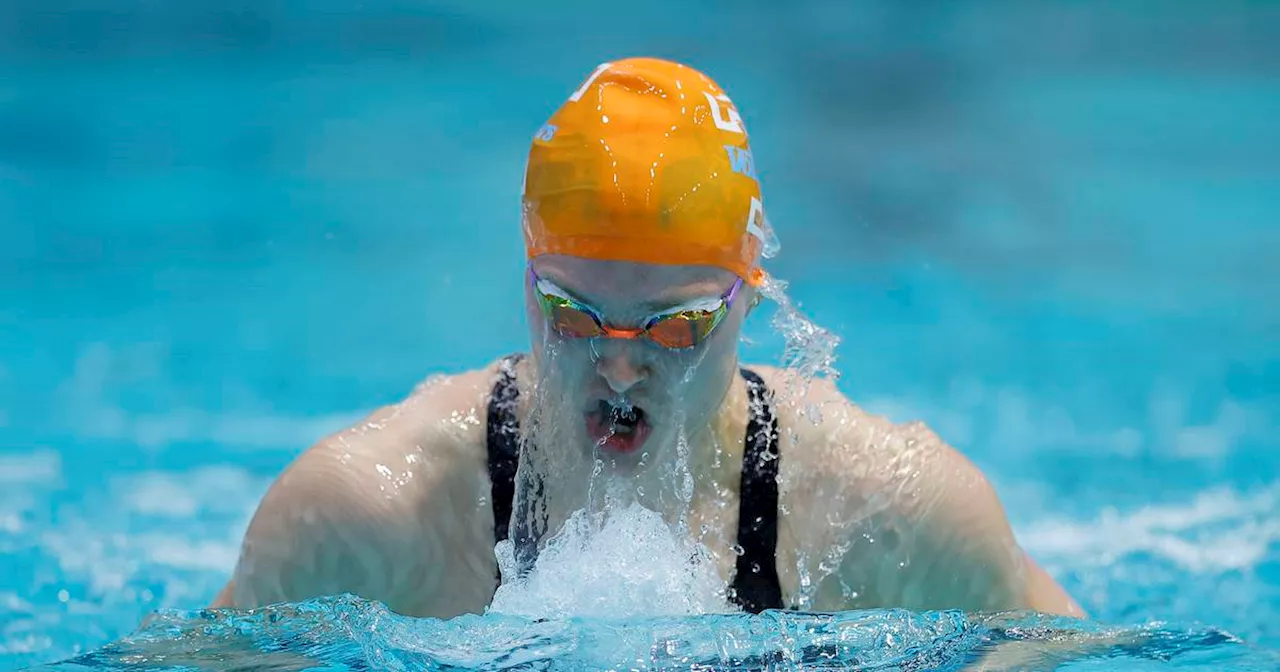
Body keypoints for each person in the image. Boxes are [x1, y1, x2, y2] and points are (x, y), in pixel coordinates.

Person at [211, 57, 1083, 619]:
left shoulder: (885, 513)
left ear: (750, 298)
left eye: (674, 327)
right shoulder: (369, 515)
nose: (620, 363)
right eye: (573, 317)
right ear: (527, 286)